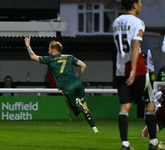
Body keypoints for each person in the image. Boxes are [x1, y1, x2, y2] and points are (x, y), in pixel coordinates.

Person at [112, 0, 165, 149]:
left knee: (125, 106)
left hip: (120, 69)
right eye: (140, 2)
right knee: (149, 104)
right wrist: (134, 70)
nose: (141, 5)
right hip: (138, 69)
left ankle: (125, 144)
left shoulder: (116, 22)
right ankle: (153, 143)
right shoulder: (138, 22)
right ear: (134, 5)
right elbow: (135, 46)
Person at [24, 35, 99, 133]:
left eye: (49, 49)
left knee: (75, 112)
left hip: (67, 87)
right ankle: (94, 129)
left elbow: (33, 57)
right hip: (77, 82)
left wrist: (28, 45)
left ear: (53, 49)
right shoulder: (69, 57)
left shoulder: (50, 59)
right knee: (85, 108)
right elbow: (83, 65)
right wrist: (77, 76)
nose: (48, 51)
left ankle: (77, 106)